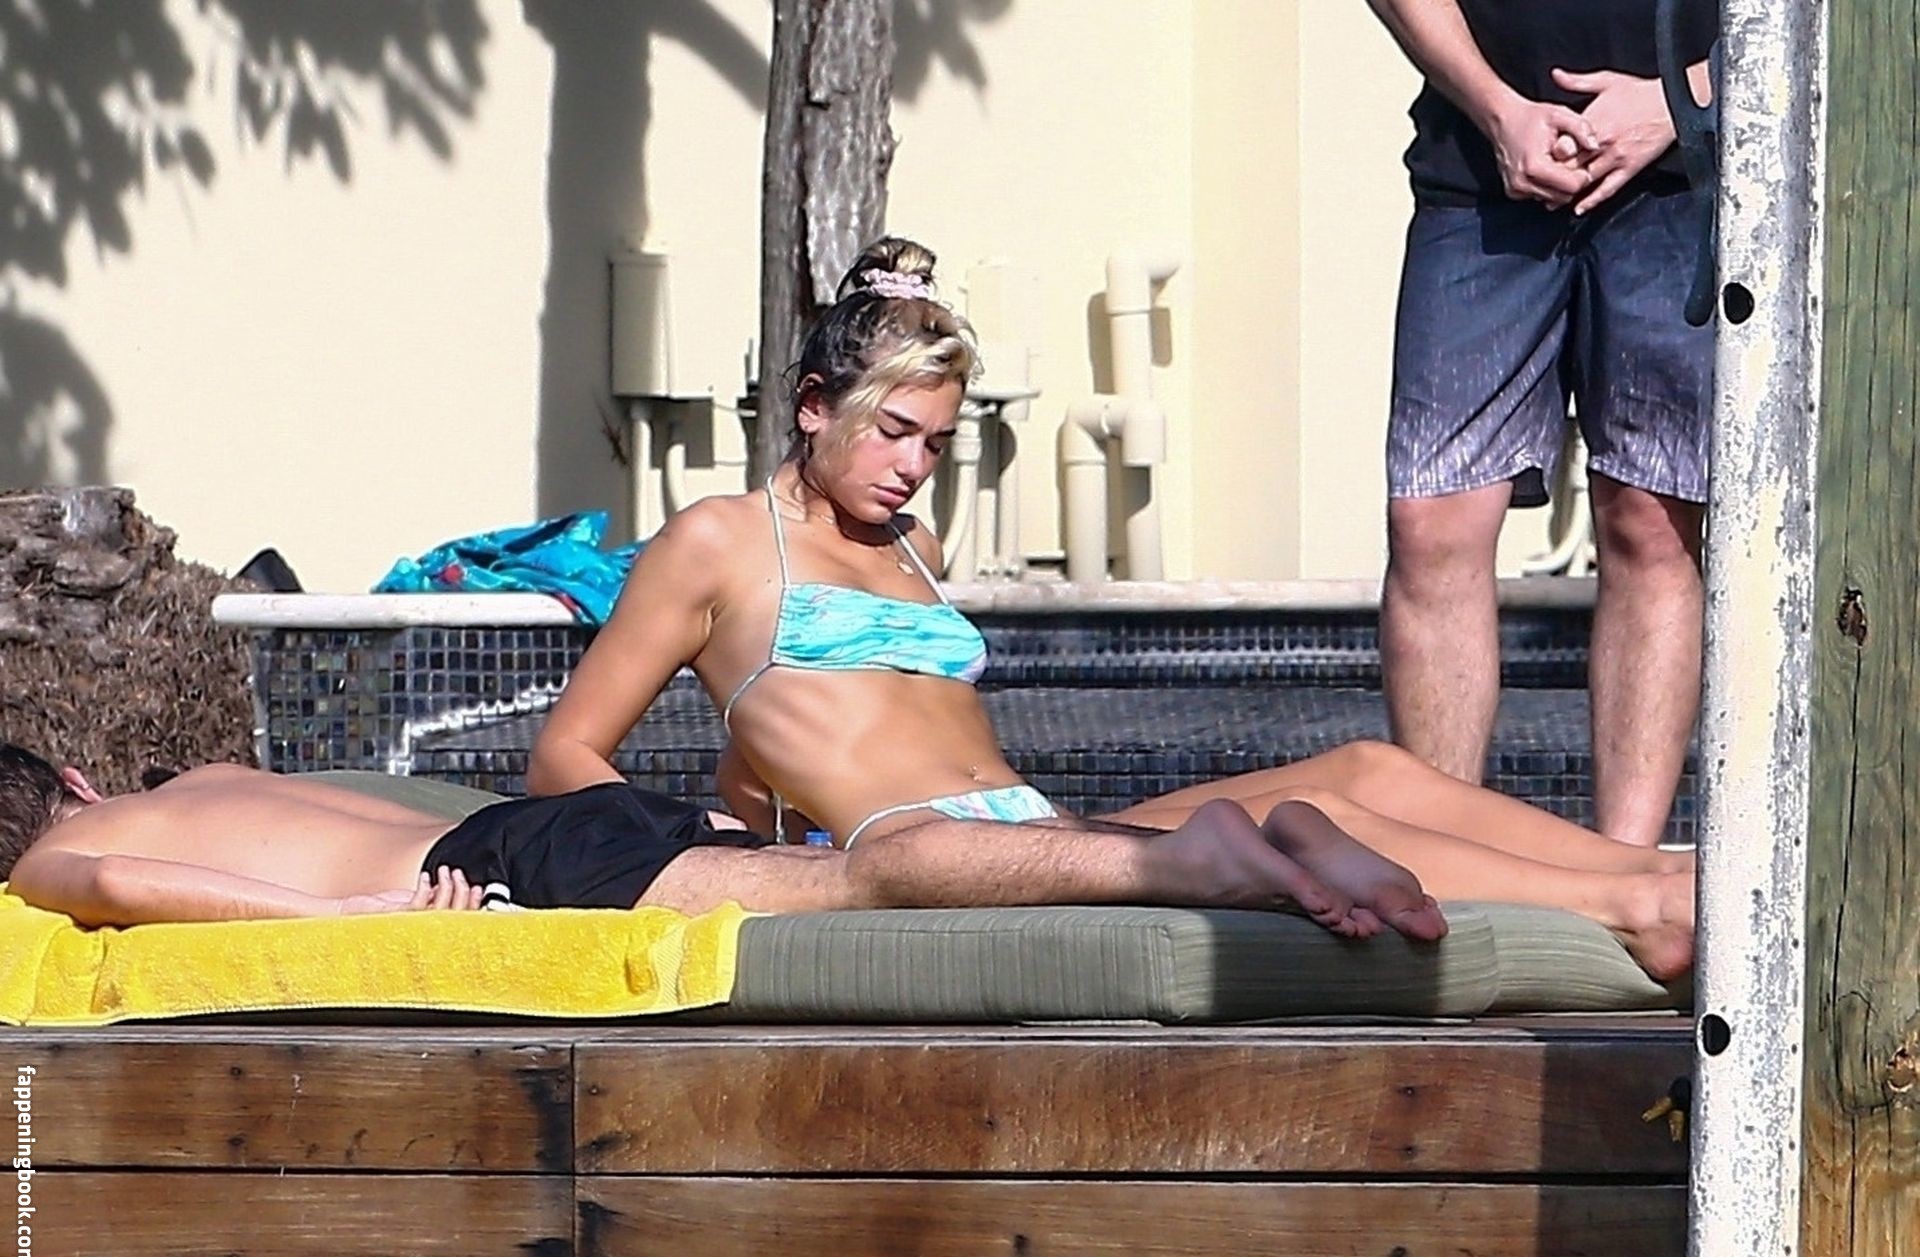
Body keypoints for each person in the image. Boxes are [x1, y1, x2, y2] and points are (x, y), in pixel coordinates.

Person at [526, 238, 1694, 979]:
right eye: (891, 432)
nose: (912, 468)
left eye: (935, 443)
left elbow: (808, 728)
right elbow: (566, 753)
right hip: (926, 856)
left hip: (1030, 825)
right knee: (1313, 817)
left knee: (1364, 767)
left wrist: (766, 792)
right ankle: (1629, 906)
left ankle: (1660, 872)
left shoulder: (915, 544)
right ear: (814, 405)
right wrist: (712, 847)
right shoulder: (719, 539)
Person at [1366, 0, 1717, 845]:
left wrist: (1680, 100)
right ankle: (1437, 861)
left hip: (1686, 183)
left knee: (1653, 522)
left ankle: (1620, 874)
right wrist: (1498, 110)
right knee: (1432, 522)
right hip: (1478, 175)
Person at [0, 745, 1401, 938]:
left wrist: (347, 926)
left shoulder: (45, 862)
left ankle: (1183, 862)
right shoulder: (208, 771)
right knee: (835, 870)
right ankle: (1209, 836)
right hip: (540, 824)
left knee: (864, 884)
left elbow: (112, 879)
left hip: (508, 869)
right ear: (74, 771)